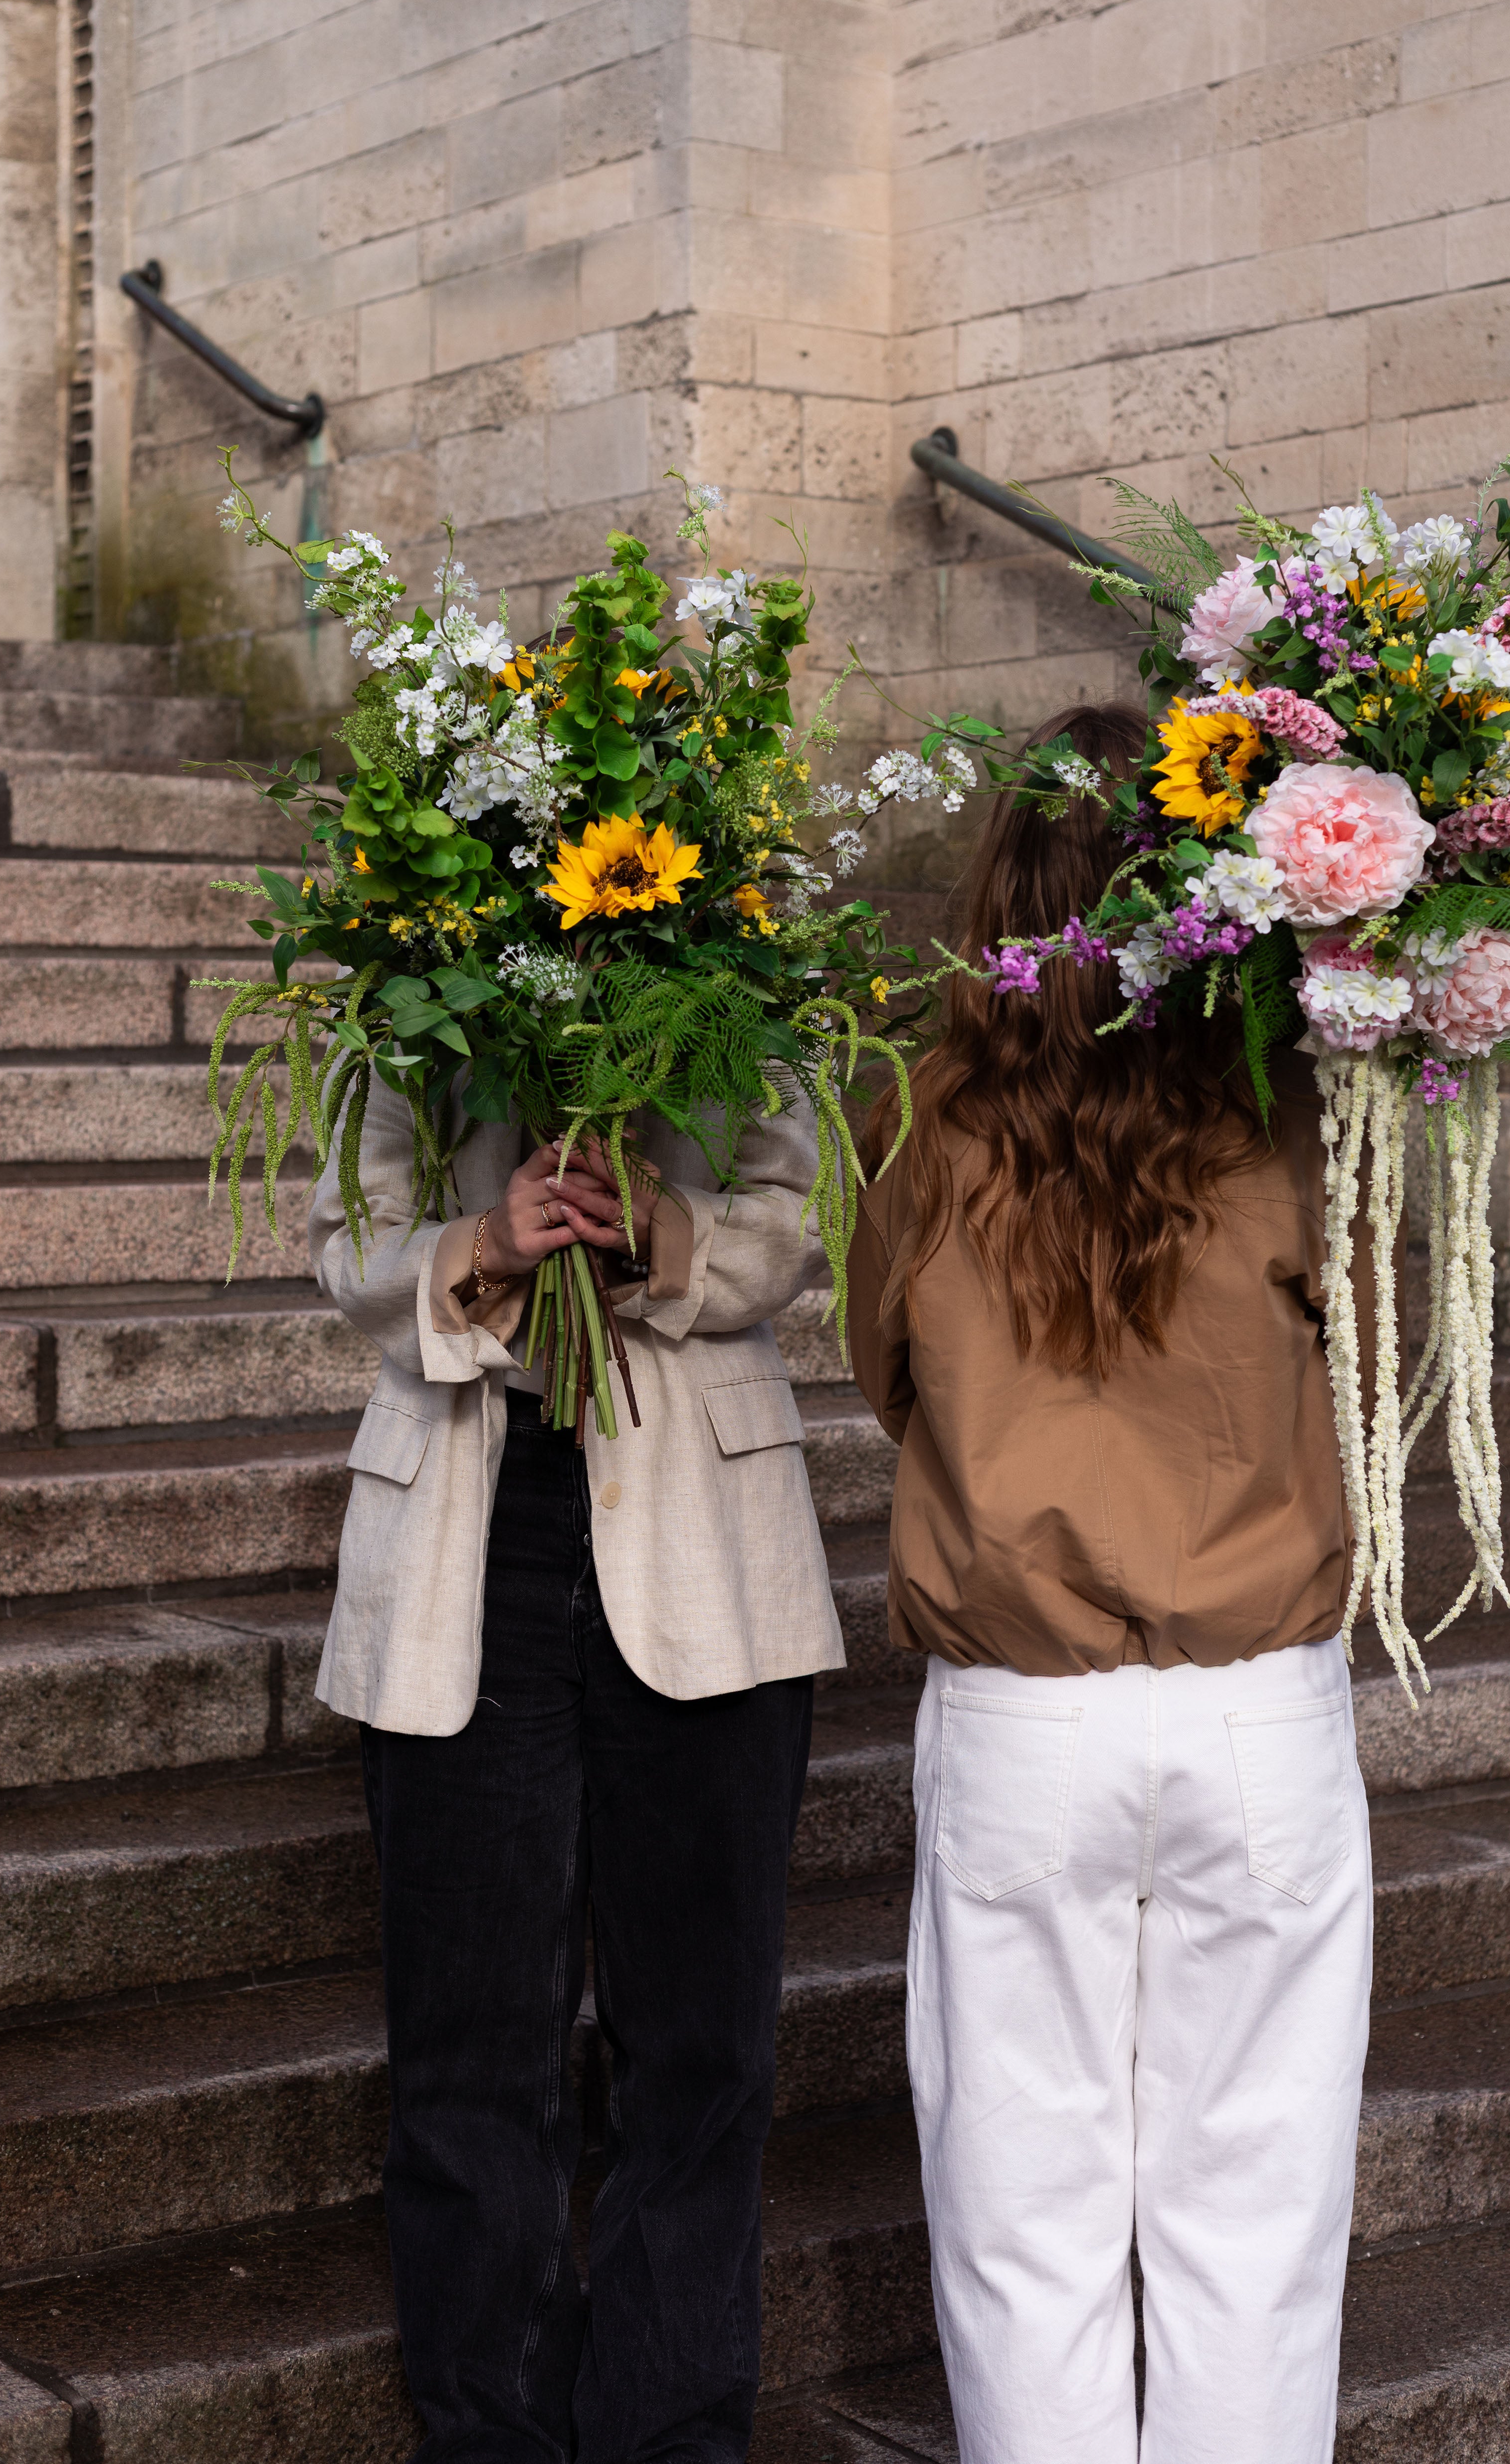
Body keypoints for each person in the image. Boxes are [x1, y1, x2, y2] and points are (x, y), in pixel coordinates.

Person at [846, 701, 1374, 2464]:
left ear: (1002, 896)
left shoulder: (928, 1127)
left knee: (1021, 2221)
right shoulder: (1288, 1113)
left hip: (1023, 1716)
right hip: (1254, 1710)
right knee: (1258, 2217)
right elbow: (1371, 1352)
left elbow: (885, 1379)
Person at [308, 1076, 839, 2463]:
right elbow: (346, 1233)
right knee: (471, 2042)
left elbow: (801, 1220)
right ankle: (489, 2434)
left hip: (706, 1525)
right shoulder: (407, 961)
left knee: (704, 2044)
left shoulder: (747, 962)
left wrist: (664, 1229)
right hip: (464, 1513)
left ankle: (674, 2435)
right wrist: (479, 1248)